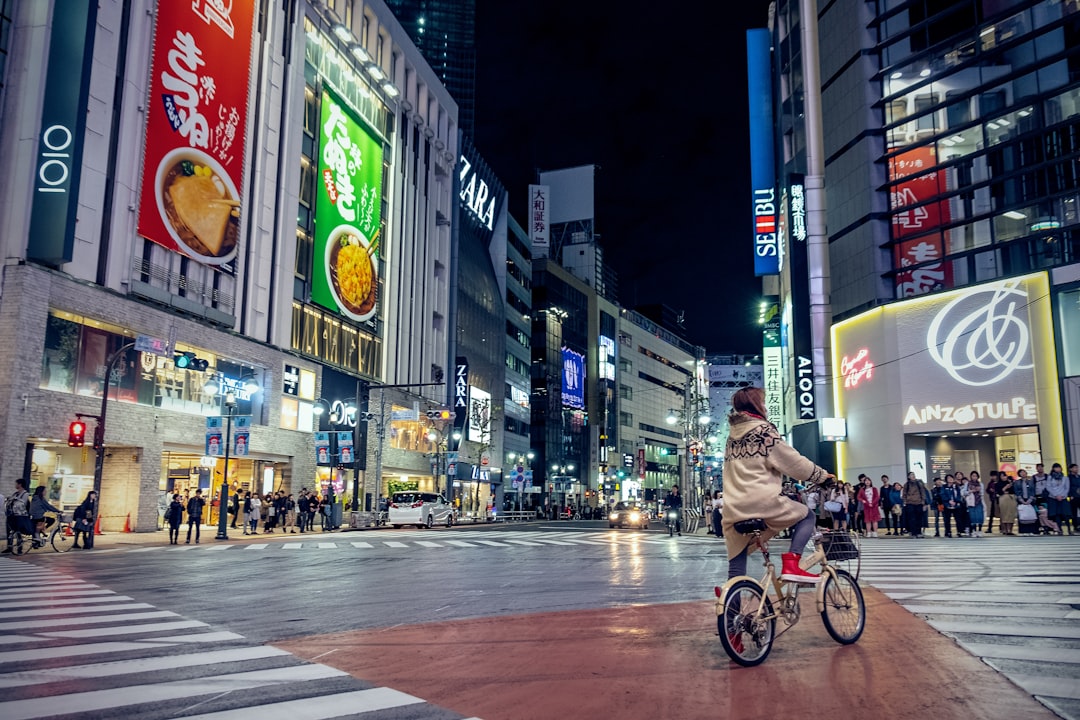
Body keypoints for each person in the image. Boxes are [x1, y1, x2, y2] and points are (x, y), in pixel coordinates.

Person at [722, 387, 834, 587]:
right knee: (806, 515)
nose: (765, 406)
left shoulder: (731, 438)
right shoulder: (763, 431)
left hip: (733, 510)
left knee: (736, 570)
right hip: (763, 504)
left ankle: (731, 612)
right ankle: (792, 563)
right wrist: (822, 476)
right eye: (762, 402)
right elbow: (793, 462)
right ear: (756, 405)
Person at [3, 479, 32, 552]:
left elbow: (24, 504)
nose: (15, 485)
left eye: (16, 484)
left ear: (20, 484)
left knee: (18, 532)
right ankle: (9, 547)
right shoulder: (15, 493)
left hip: (20, 516)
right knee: (10, 532)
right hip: (12, 515)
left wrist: (14, 499)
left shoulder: (25, 494)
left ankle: (20, 548)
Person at [1045, 463, 1070, 536]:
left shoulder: (1065, 478)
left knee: (1066, 514)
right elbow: (1048, 487)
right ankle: (1059, 529)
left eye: (1059, 467)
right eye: (1056, 468)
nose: (1058, 469)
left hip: (1063, 497)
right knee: (1056, 514)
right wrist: (1056, 495)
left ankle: (1069, 529)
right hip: (1053, 498)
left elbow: (1067, 488)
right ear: (1053, 469)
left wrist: (1062, 496)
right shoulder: (1050, 478)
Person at [901, 472, 926, 538]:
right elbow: (904, 493)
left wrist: (923, 501)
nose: (913, 476)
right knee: (911, 519)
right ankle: (913, 532)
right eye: (911, 475)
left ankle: (919, 532)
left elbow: (923, 492)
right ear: (908, 477)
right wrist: (905, 501)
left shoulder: (919, 483)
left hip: (919, 503)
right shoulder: (907, 484)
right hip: (910, 503)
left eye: (914, 475)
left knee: (919, 518)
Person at [965, 471, 985, 537]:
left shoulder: (980, 484)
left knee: (979, 516)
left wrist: (979, 490)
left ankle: (979, 530)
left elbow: (982, 493)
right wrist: (971, 491)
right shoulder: (968, 483)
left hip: (979, 501)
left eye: (976, 476)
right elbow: (964, 492)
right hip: (971, 502)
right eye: (973, 476)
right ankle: (974, 530)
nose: (974, 477)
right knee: (972, 517)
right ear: (971, 476)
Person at [1069, 464, 1080, 534]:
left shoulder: (1079, 477)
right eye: (1075, 468)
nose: (1076, 469)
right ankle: (1076, 526)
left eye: (1077, 468)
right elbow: (1068, 487)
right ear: (1071, 469)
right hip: (1073, 496)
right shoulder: (1069, 478)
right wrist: (1070, 495)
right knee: (1074, 512)